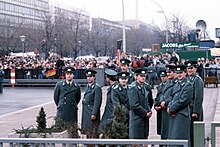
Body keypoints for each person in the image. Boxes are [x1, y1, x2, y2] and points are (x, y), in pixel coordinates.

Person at [167, 64, 193, 147]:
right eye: (178, 73)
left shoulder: (188, 85)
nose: (179, 75)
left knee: (181, 138)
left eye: (181, 72)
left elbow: (183, 101)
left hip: (182, 115)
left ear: (185, 73)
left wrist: (171, 109)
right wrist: (169, 107)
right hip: (174, 114)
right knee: (174, 139)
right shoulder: (177, 83)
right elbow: (172, 97)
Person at [128, 68, 152, 139]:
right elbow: (134, 105)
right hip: (137, 120)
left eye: (144, 76)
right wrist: (145, 113)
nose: (143, 77)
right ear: (136, 76)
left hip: (144, 119)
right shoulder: (133, 88)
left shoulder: (144, 87)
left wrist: (149, 111)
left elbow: (148, 101)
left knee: (144, 139)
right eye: (141, 76)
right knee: (136, 141)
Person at [185, 60, 204, 147]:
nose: (189, 70)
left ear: (195, 69)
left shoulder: (197, 80)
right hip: (189, 108)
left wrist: (195, 111)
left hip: (194, 109)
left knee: (195, 131)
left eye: (191, 68)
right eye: (188, 68)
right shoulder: (188, 79)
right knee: (189, 131)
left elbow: (198, 97)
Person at [81, 69, 102, 138]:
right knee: (87, 131)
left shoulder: (97, 87)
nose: (89, 78)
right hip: (86, 112)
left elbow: (97, 102)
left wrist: (94, 113)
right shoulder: (88, 86)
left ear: (94, 77)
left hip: (91, 112)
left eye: (91, 76)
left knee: (93, 131)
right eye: (88, 77)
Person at [160, 64, 176, 140]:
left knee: (170, 131)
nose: (168, 74)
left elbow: (174, 96)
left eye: (170, 72)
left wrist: (165, 102)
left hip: (170, 108)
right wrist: (161, 101)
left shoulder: (176, 82)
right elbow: (162, 93)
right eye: (167, 72)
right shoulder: (168, 82)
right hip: (164, 109)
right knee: (164, 132)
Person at [111, 71, 130, 138]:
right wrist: (127, 111)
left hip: (130, 117)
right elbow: (116, 105)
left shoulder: (130, 89)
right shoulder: (115, 90)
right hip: (120, 116)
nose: (123, 80)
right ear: (119, 79)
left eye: (125, 79)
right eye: (122, 79)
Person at [99, 68, 118, 133]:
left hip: (111, 115)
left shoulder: (114, 89)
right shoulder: (114, 87)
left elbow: (114, 104)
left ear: (108, 78)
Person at [154, 70, 167, 137]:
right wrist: (155, 105)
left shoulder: (169, 85)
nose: (163, 78)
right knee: (161, 128)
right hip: (159, 110)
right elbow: (157, 96)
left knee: (166, 128)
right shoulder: (160, 85)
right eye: (161, 77)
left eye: (164, 77)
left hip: (165, 108)